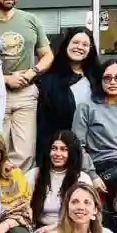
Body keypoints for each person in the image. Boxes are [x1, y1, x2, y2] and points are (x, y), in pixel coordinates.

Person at [0, 0, 54, 172]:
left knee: (25, 152)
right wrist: (5, 79)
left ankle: (18, 188)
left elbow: (47, 55)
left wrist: (32, 72)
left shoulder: (30, 20)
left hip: (26, 93)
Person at [72, 59, 117, 197]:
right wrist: (92, 176)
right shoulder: (86, 107)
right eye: (107, 78)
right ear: (101, 80)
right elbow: (77, 146)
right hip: (100, 168)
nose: (113, 82)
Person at [36, 27, 100, 159]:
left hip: (95, 148)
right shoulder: (49, 81)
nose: (79, 47)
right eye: (75, 42)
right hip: (61, 151)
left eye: (85, 44)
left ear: (90, 49)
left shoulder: (98, 78)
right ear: (66, 45)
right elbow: (44, 125)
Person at [28, 130, 92, 233]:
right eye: (54, 148)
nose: (57, 154)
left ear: (72, 153)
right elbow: (22, 205)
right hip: (38, 229)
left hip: (70, 230)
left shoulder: (82, 179)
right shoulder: (34, 174)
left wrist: (55, 228)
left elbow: (86, 213)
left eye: (63, 149)